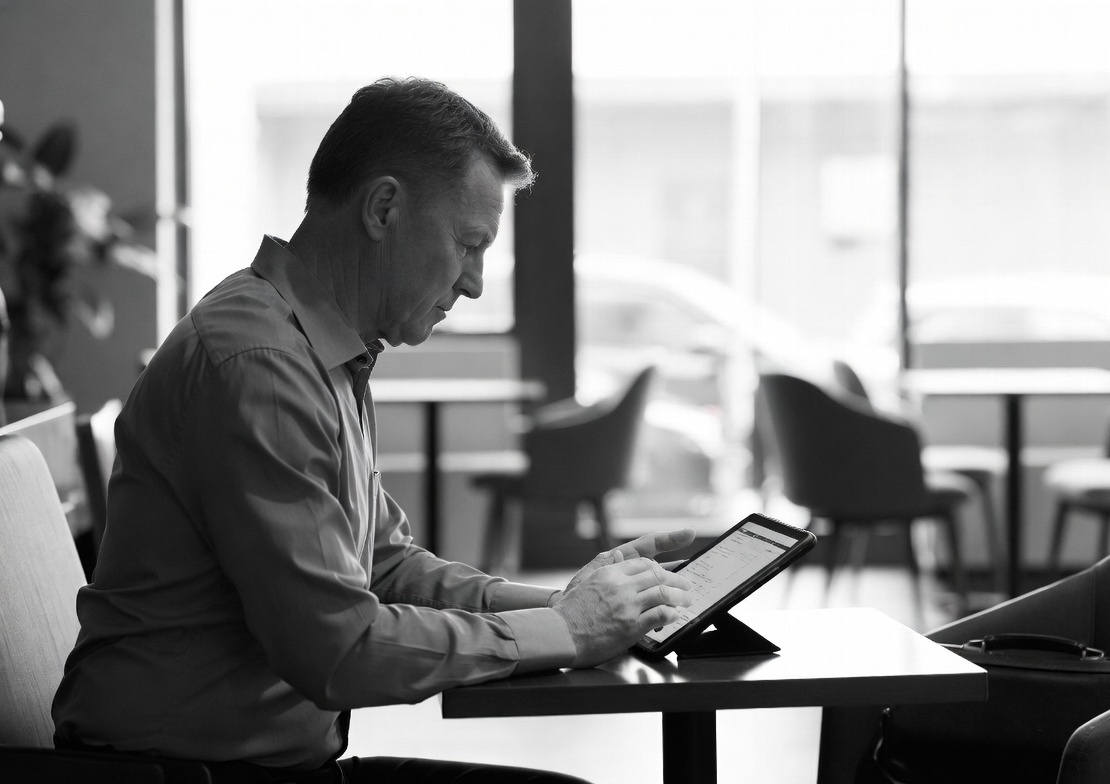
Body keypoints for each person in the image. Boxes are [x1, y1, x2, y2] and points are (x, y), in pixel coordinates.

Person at [51, 77, 694, 784]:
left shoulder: (320, 350)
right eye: (468, 244)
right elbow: (340, 649)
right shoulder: (260, 365)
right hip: (183, 776)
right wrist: (568, 631)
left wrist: (562, 605)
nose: (476, 282)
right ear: (384, 207)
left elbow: (384, 568)